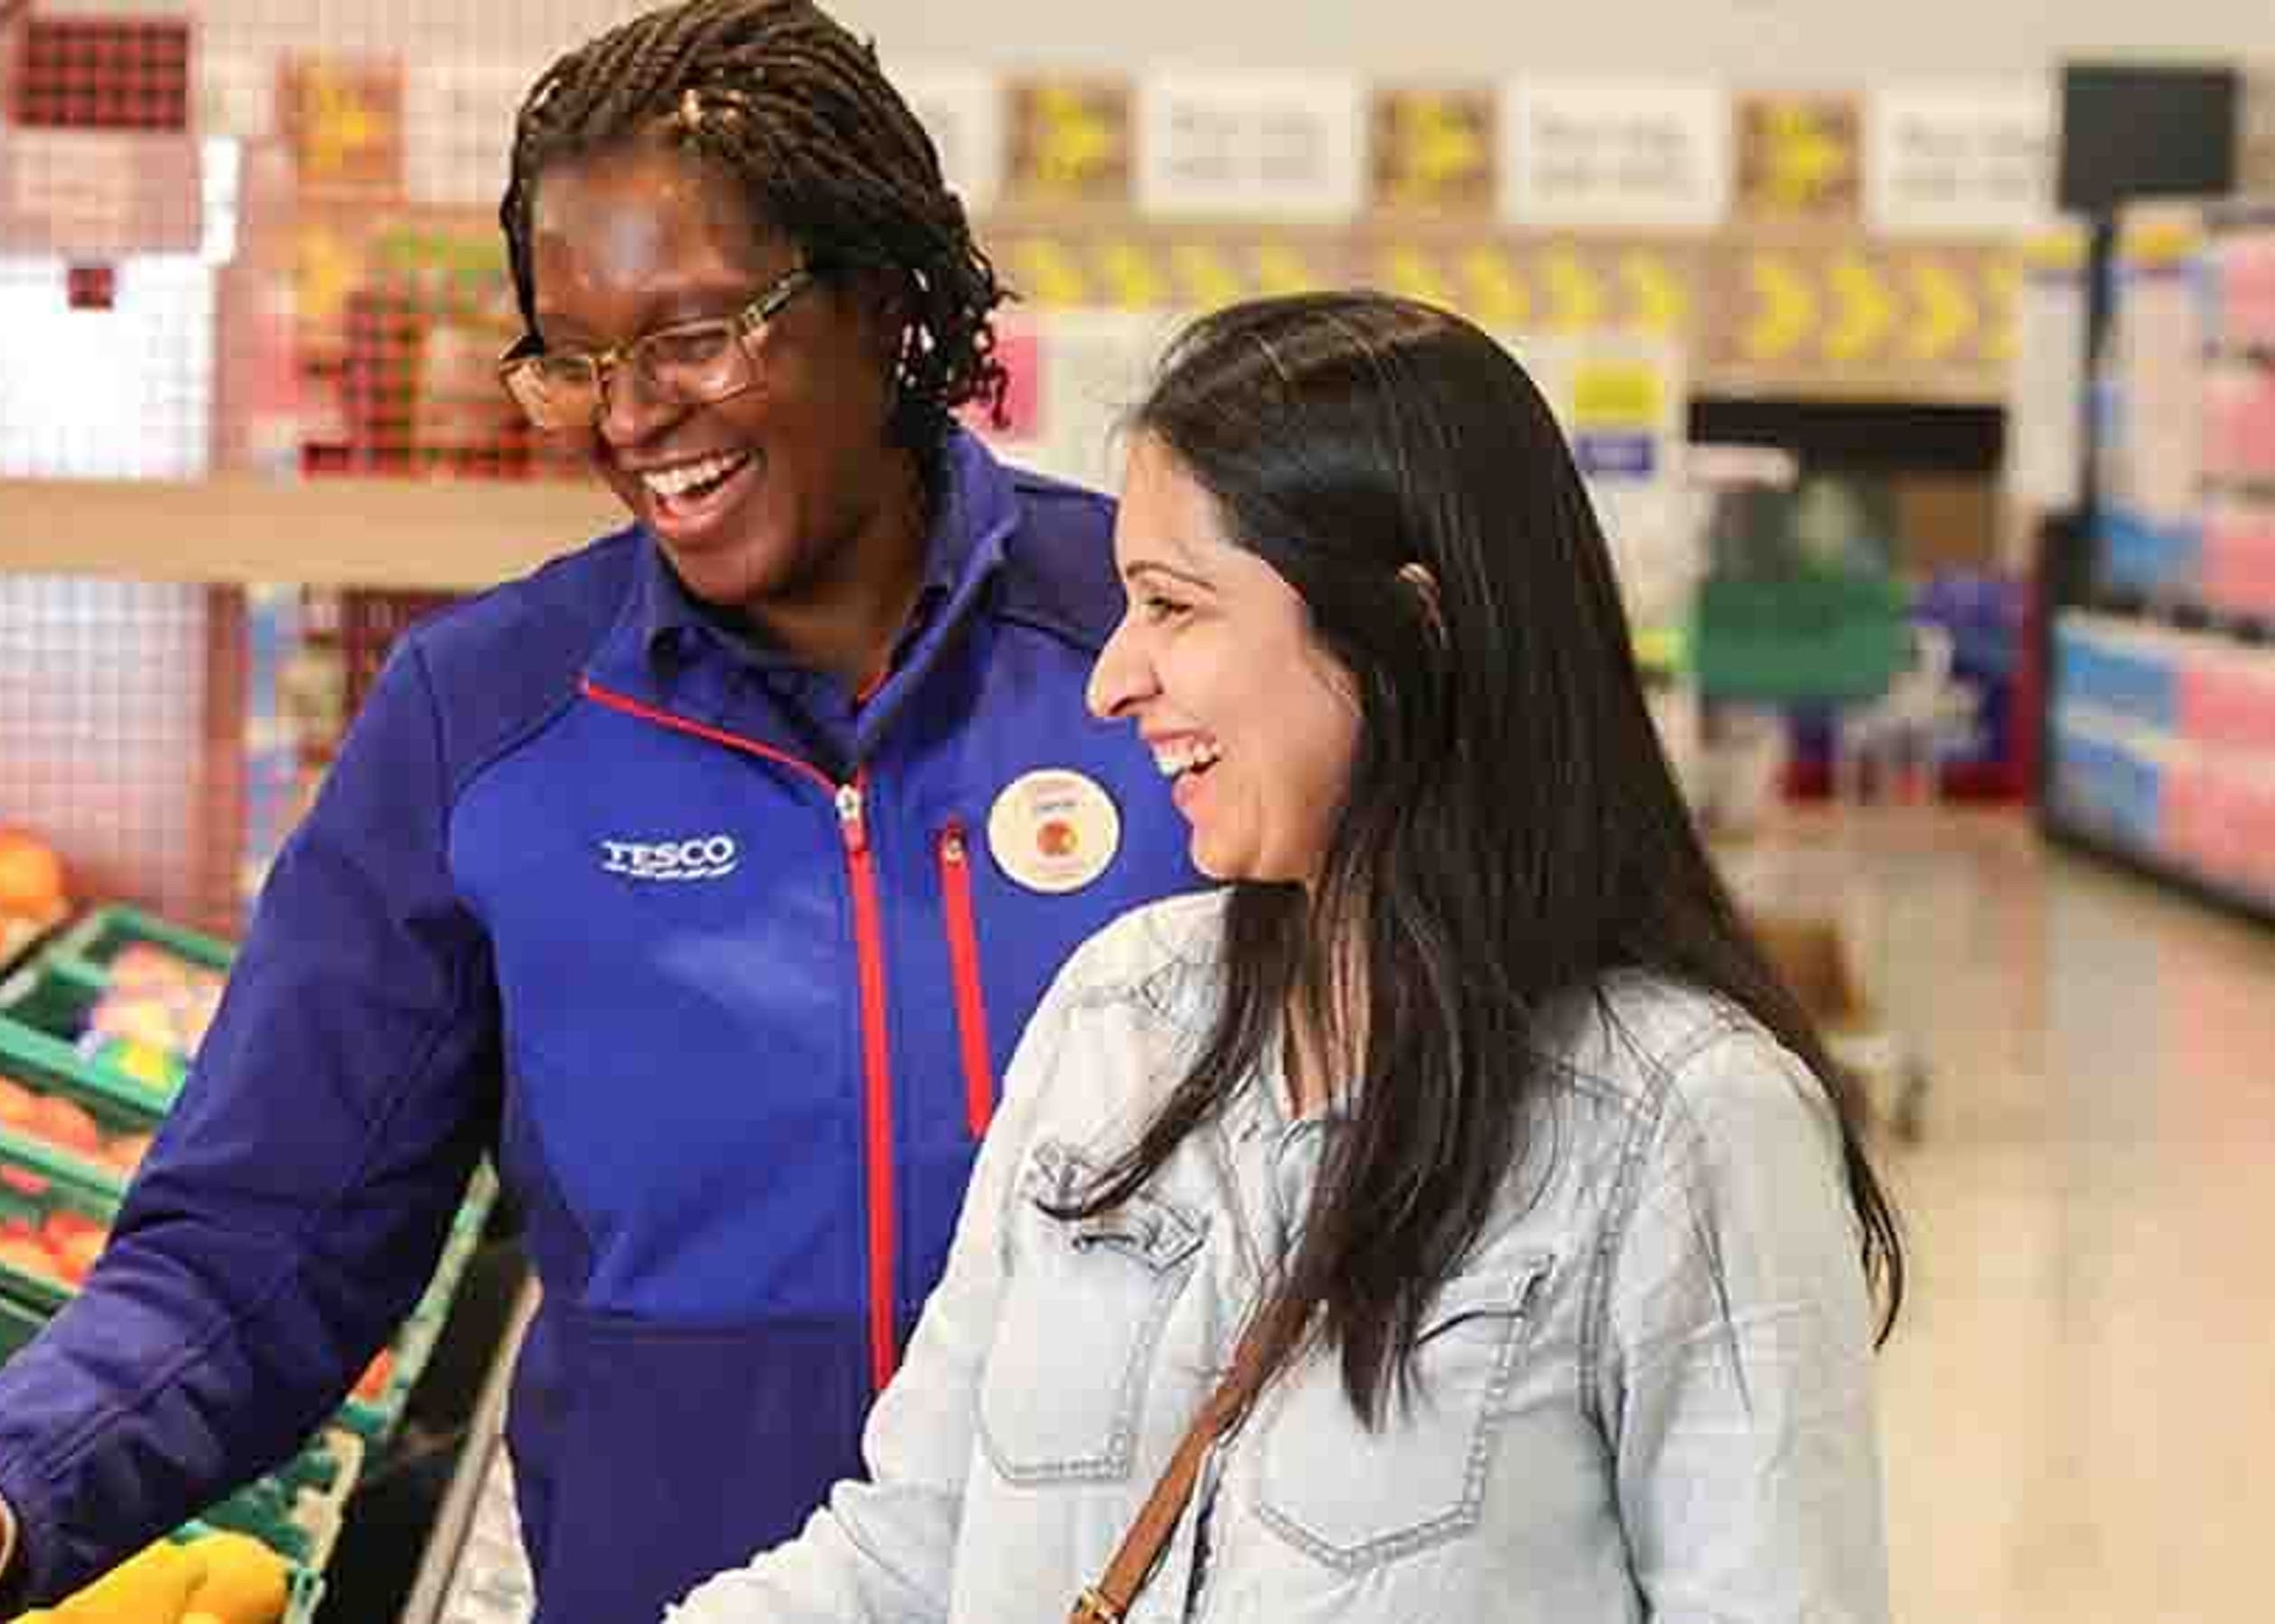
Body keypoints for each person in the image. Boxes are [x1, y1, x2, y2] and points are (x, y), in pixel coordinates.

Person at [0, 3, 1204, 1620]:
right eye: (578, 360)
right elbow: (260, 1243)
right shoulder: (490, 723)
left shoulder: (1162, 649)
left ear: (877, 297)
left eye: (692, 337)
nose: (631, 416)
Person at [658, 291, 1910, 1624]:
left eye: (1173, 606)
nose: (1112, 681)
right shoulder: (1120, 1015)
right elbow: (910, 1550)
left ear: (1407, 628)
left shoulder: (1686, 1121)